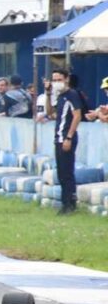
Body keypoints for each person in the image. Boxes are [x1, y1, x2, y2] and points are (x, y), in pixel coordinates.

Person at [46, 69, 84, 214]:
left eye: (59, 79)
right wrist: (49, 93)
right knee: (62, 172)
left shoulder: (72, 95)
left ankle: (69, 203)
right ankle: (65, 202)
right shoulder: (60, 96)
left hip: (66, 138)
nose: (56, 83)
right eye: (54, 80)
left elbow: (77, 115)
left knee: (67, 173)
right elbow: (50, 113)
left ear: (66, 79)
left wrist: (69, 137)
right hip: (59, 138)